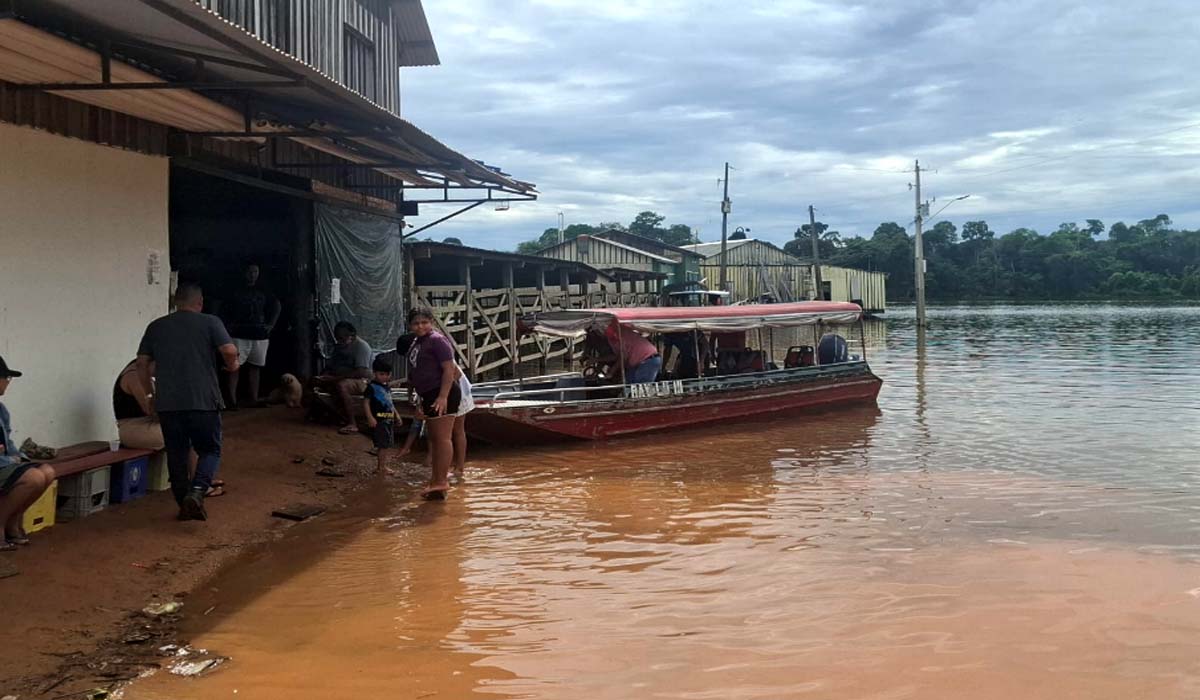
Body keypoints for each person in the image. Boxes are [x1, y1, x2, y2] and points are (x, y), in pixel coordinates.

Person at [137, 283, 239, 521]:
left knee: (176, 453)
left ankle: (183, 501)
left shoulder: (156, 326)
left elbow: (141, 363)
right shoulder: (211, 322)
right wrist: (233, 365)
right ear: (200, 303)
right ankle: (198, 491)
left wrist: (150, 395)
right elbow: (229, 350)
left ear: (175, 302)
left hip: (168, 402)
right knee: (210, 449)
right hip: (204, 399)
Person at [114, 360, 226, 498]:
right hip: (134, 429)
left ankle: (200, 479)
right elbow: (154, 412)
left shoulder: (146, 373)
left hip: (150, 424)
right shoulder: (135, 376)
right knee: (190, 432)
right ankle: (199, 484)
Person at [403, 308, 461, 499]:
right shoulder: (418, 342)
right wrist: (418, 399)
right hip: (428, 394)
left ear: (432, 322)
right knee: (435, 439)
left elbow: (449, 370)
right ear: (410, 325)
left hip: (441, 393)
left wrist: (443, 396)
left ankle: (441, 481)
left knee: (443, 438)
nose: (420, 326)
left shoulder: (437, 340)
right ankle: (436, 480)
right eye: (416, 323)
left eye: (424, 322)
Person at [0, 355, 56, 550]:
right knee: (32, 478)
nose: (8, 383)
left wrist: (19, 458)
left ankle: (12, 521)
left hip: (4, 463)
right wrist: (11, 460)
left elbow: (8, 442)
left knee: (47, 472)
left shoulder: (1, 410)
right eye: (6, 378)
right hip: (3, 464)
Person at [220, 261, 280, 409]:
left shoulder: (264, 289)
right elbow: (222, 307)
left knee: (255, 366)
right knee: (234, 366)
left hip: (259, 334)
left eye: (255, 272)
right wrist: (227, 325)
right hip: (238, 333)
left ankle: (254, 398)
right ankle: (232, 400)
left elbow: (277, 305)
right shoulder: (234, 289)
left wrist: (271, 324)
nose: (253, 275)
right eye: (250, 272)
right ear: (244, 273)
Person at [312, 321, 373, 435]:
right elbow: (330, 365)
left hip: (362, 380)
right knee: (315, 382)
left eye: (342, 338)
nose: (339, 341)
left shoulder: (361, 347)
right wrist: (323, 376)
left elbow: (361, 372)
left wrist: (335, 378)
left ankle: (352, 423)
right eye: (338, 339)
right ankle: (331, 414)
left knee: (342, 385)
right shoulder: (339, 346)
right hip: (339, 376)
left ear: (352, 336)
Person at [363, 357, 401, 474]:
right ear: (374, 373)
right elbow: (366, 403)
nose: (384, 377)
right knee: (383, 445)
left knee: (386, 444)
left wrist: (396, 415)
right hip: (379, 420)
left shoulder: (386, 387)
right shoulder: (371, 387)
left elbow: (390, 403)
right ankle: (381, 467)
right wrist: (370, 417)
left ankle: (382, 466)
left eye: (387, 374)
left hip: (388, 419)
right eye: (381, 374)